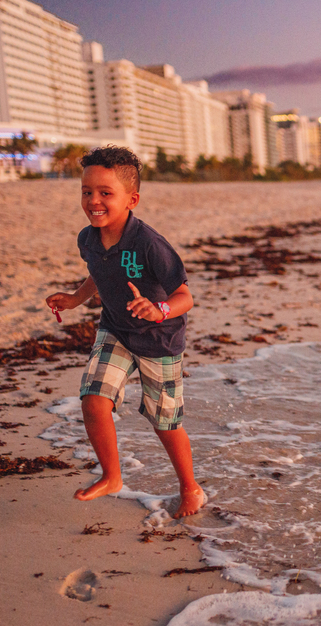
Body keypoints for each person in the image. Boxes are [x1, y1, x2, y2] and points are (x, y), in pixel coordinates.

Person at [45, 146, 205, 518]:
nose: (93, 201)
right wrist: (75, 299)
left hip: (158, 341)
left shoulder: (150, 244)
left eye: (105, 193)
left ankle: (190, 489)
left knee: (164, 422)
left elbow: (185, 296)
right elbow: (99, 275)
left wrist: (158, 309)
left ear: (132, 199)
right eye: (87, 192)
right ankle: (112, 476)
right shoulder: (88, 238)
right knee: (93, 399)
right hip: (116, 330)